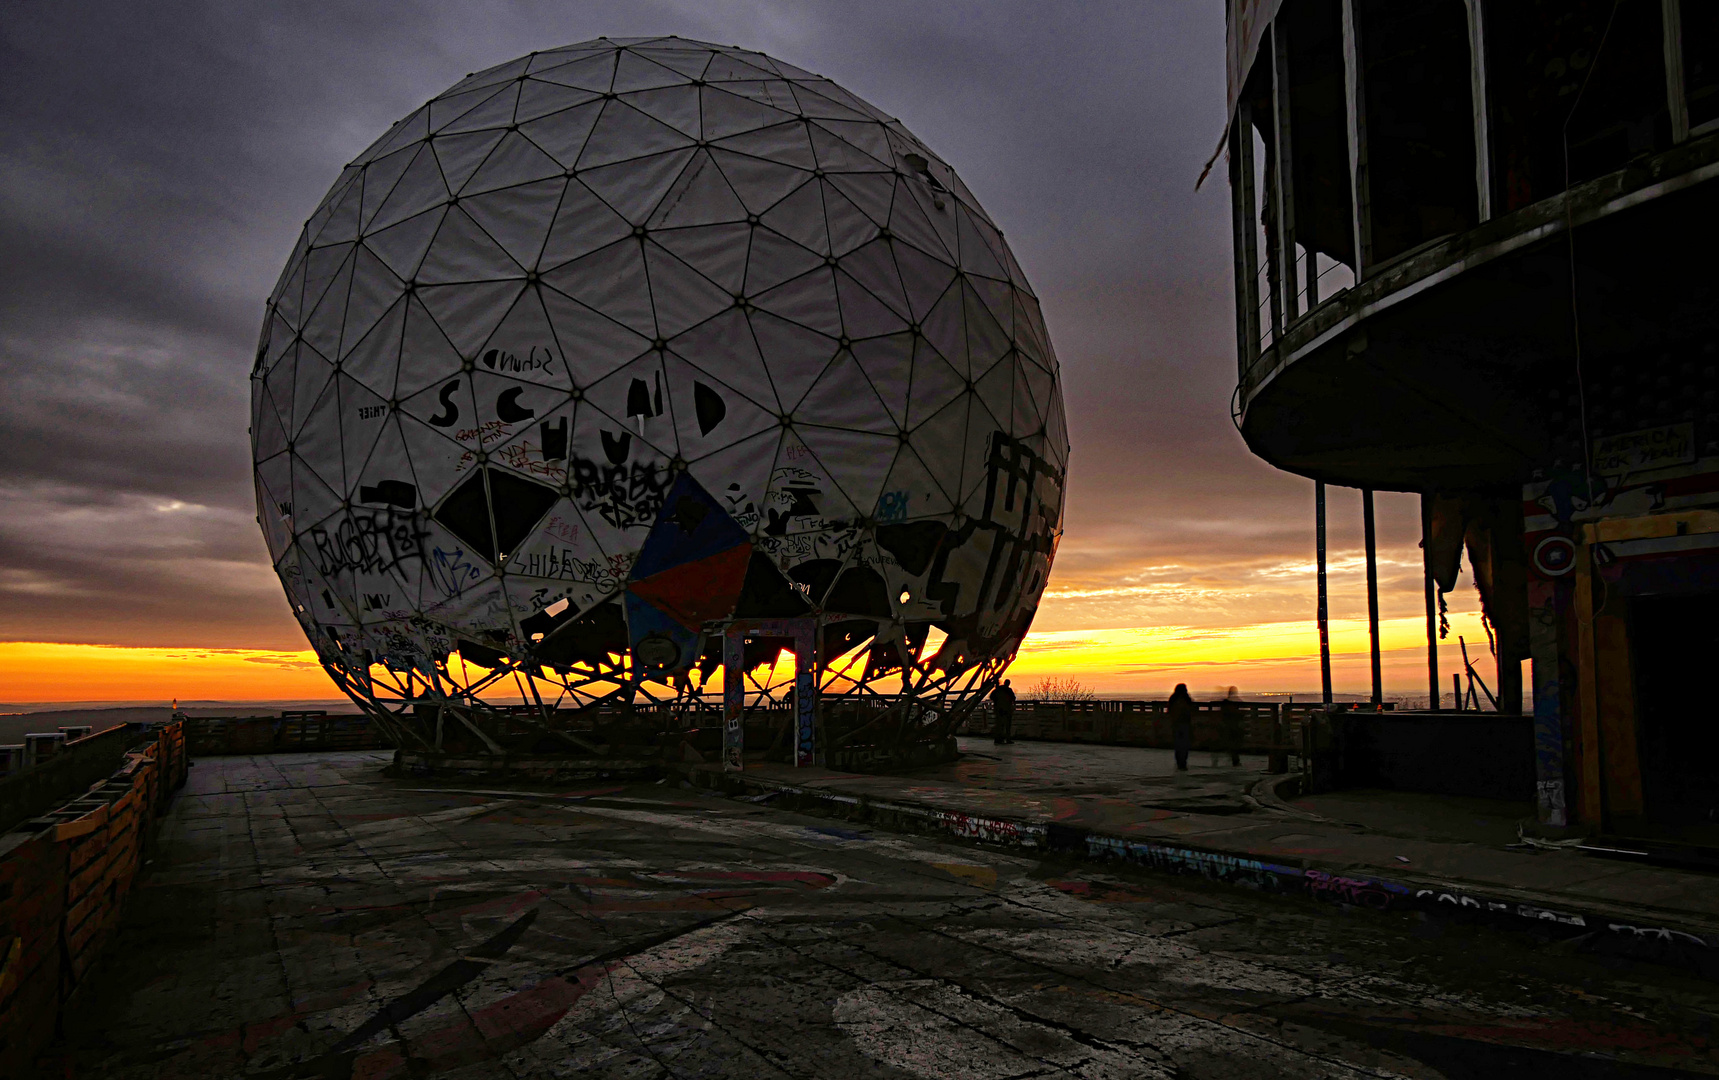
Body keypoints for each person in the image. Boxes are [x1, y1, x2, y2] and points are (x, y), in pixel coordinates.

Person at [1169, 683, 1194, 771]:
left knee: (1178, 745)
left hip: (1176, 725)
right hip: (1184, 724)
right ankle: (1182, 763)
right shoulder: (1186, 699)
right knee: (1184, 745)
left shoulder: (1173, 698)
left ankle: (1180, 763)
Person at [1219, 686, 1244, 767]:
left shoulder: (1225, 703)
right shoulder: (1238, 701)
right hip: (1235, 727)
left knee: (1231, 740)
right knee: (1234, 740)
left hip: (1226, 727)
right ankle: (1235, 759)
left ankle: (1233, 756)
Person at [991, 678, 1016, 745]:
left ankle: (998, 739)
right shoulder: (1009, 690)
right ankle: (1007, 739)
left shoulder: (998, 690)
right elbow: (1013, 698)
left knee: (999, 725)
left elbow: (991, 697)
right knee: (1007, 725)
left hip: (998, 709)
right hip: (1007, 709)